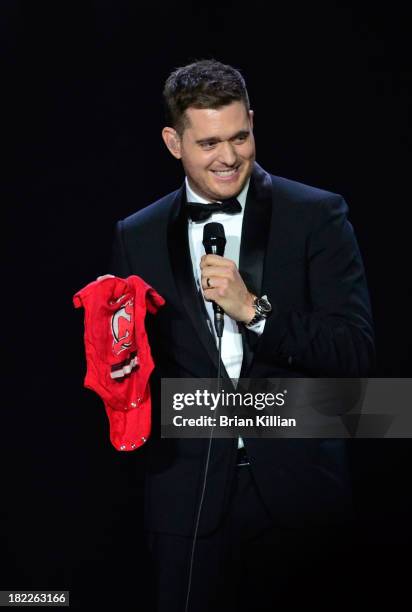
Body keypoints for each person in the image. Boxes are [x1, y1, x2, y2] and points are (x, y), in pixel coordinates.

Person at [108, 59, 375, 612]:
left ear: (252, 122)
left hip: (300, 498)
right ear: (172, 142)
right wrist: (118, 371)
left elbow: (356, 357)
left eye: (240, 136)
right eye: (208, 143)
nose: (228, 157)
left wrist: (255, 312)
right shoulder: (136, 235)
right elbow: (139, 382)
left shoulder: (316, 215)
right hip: (187, 503)